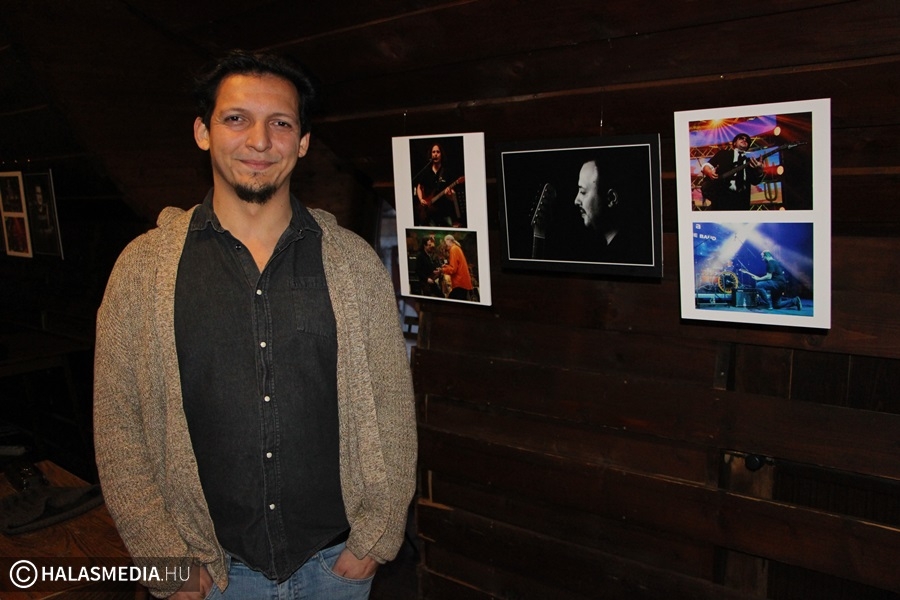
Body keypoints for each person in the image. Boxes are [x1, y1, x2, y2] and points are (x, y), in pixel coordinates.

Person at [93, 50, 417, 600]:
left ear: (303, 142)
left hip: (335, 568)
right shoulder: (143, 270)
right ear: (203, 132)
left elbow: (392, 405)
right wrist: (161, 559)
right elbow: (118, 425)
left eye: (281, 123)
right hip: (208, 576)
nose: (260, 141)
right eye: (237, 118)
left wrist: (375, 540)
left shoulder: (355, 264)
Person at [572, 156, 651, 264]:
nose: (576, 201)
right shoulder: (605, 249)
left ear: (611, 198)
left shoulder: (630, 255)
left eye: (583, 192)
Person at [700, 133, 765, 211]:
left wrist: (759, 171)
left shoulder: (750, 162)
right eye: (741, 138)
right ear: (734, 143)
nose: (744, 140)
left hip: (741, 201)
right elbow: (707, 165)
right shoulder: (723, 154)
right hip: (722, 198)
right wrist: (709, 172)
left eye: (747, 140)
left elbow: (755, 181)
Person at [414, 143, 462, 227]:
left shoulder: (446, 172)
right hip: (429, 212)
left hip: (444, 212)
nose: (435, 154)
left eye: (438, 152)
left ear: (441, 155)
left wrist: (449, 195)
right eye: (433, 152)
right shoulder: (426, 171)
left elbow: (452, 196)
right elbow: (419, 187)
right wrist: (421, 199)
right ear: (431, 154)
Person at [440, 234, 474, 301]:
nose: (445, 245)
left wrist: (442, 270)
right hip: (463, 282)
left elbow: (453, 269)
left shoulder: (453, 249)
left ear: (448, 241)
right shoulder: (457, 248)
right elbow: (455, 266)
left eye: (445, 242)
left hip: (459, 283)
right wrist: (446, 267)